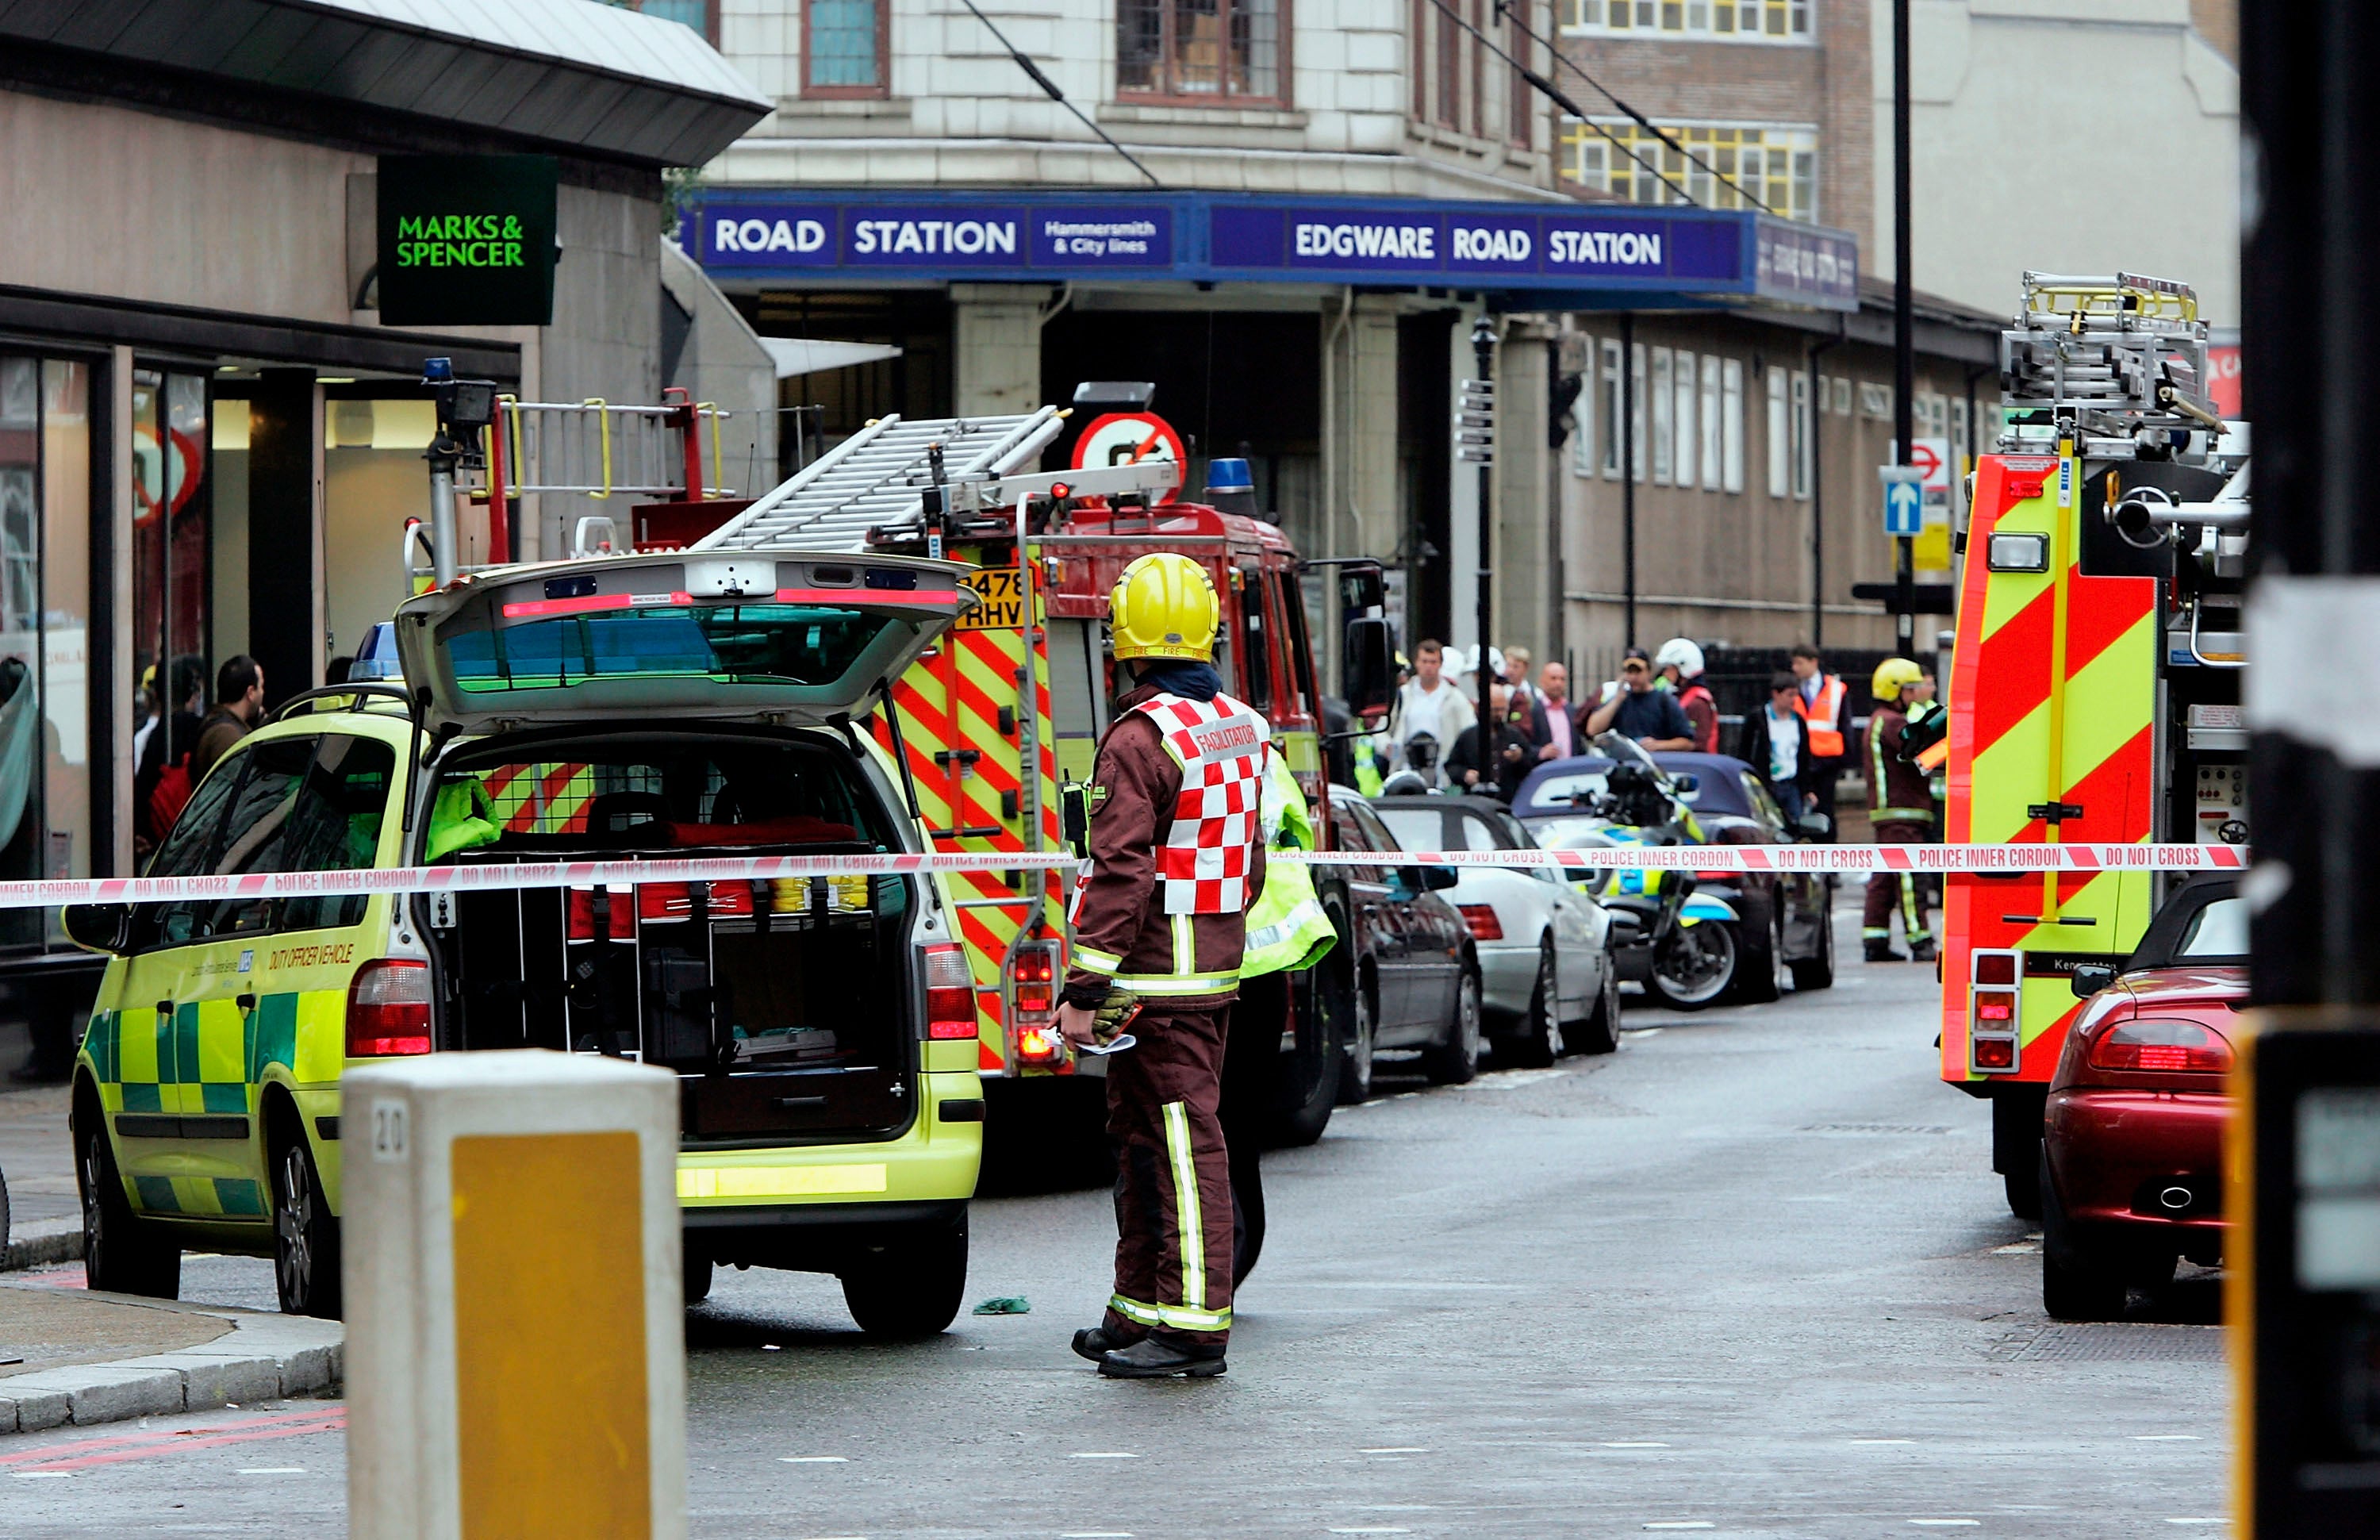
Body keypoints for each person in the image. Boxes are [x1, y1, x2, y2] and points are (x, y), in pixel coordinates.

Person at [1057, 552, 1264, 1380]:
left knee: (1176, 1147)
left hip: (1152, 983)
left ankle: (1191, 1330)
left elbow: (1122, 873)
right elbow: (1241, 860)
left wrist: (1083, 991)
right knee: (1146, 1140)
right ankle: (1138, 1309)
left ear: (1125, 644)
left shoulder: (1139, 738)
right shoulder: (1241, 726)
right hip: (1205, 972)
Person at [1863, 658, 1938, 964]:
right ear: (1896, 691)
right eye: (1910, 689)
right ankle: (1920, 940)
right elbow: (1924, 755)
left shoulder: (1879, 720)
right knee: (1909, 877)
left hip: (1890, 813)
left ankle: (1875, 939)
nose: (1914, 695)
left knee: (1883, 878)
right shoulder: (1893, 723)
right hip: (1901, 812)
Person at [1390, 639, 1474, 786]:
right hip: (1407, 768)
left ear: (1440, 664)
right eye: (1424, 661)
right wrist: (1389, 749)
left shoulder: (1455, 698)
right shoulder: (1403, 695)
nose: (1428, 666)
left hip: (1442, 771)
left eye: (1433, 662)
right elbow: (1382, 728)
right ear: (1416, 663)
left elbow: (1470, 731)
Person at [1789, 643, 1851, 839]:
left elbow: (1844, 724)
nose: (1795, 668)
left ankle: (1828, 858)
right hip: (1800, 760)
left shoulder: (1836, 689)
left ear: (1813, 662)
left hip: (1826, 761)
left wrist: (1845, 759)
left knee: (1825, 810)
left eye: (1799, 663)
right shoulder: (1791, 688)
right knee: (1799, 812)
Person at [1737, 671, 1818, 819]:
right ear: (1776, 694)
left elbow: (1804, 756)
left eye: (1796, 695)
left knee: (1796, 823)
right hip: (1767, 785)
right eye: (1790, 695)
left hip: (1791, 784)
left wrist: (1808, 789)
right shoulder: (1758, 719)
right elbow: (1745, 751)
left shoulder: (1799, 721)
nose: (1794, 700)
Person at [1585, 647, 1695, 751]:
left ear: (1649, 672)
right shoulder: (1619, 700)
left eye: (1638, 671)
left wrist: (1658, 745)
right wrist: (1617, 700)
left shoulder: (1665, 701)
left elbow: (1688, 743)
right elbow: (1592, 730)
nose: (1633, 677)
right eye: (1629, 672)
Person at [1446, 682, 1535, 801]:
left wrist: (1519, 758)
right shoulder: (1468, 736)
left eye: (1502, 710)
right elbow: (1451, 766)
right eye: (1495, 710)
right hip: (1476, 800)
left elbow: (1530, 764)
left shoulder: (1514, 735)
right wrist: (1465, 774)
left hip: (1509, 799)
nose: (1499, 714)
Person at [190, 655, 265, 785]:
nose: (263, 693)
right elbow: (244, 788)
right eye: (261, 687)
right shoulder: (226, 736)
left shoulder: (220, 726)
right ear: (251, 693)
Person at [1654, 638, 1720, 754]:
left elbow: (1697, 743)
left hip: (1694, 767)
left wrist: (1658, 745)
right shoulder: (1681, 697)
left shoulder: (1697, 703)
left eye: (1669, 669)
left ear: (1684, 667)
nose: (1665, 674)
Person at [1537, 660, 1576, 759]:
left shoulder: (1572, 710)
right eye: (1553, 678)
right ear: (1542, 680)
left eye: (1562, 679)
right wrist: (1541, 752)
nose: (1558, 683)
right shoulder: (1534, 710)